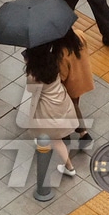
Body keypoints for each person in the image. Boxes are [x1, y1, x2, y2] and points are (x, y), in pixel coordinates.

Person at [24, 41, 80, 176]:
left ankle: (70, 167)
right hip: (61, 99)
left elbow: (31, 90)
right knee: (54, 129)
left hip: (48, 107)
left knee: (55, 139)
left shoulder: (34, 76)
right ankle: (44, 138)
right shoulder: (53, 62)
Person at [56, 27, 95, 149]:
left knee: (71, 107)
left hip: (71, 84)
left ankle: (83, 133)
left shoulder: (62, 52)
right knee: (75, 104)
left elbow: (63, 74)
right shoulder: (80, 35)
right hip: (84, 76)